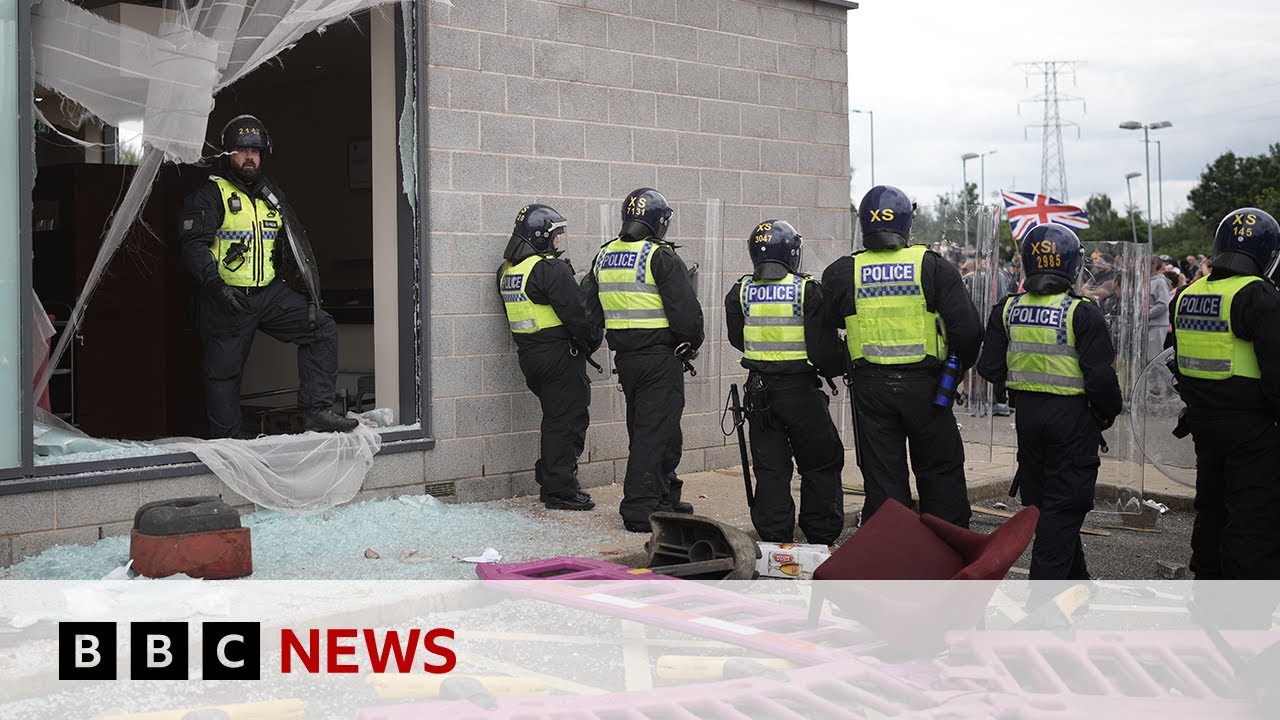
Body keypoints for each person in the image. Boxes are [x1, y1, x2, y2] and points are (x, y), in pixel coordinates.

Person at [179, 115, 357, 438]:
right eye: (242, 150)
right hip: (227, 298)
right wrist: (217, 288)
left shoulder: (269, 192)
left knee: (321, 327)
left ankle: (317, 411)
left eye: (256, 151)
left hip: (269, 294)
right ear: (227, 154)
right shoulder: (210, 195)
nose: (250, 157)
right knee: (223, 377)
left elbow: (290, 242)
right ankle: (230, 447)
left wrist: (303, 290)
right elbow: (193, 246)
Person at [822, 185, 982, 528]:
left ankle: (892, 561)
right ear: (907, 223)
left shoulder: (842, 272)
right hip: (929, 389)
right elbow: (968, 332)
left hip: (870, 389)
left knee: (883, 479)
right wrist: (954, 371)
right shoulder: (933, 267)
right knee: (940, 474)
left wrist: (842, 363)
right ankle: (948, 554)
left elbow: (825, 328)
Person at [977, 223, 1123, 581]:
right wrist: (1104, 415)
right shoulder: (1081, 311)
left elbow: (989, 368)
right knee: (1064, 506)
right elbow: (1101, 379)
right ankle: (1045, 605)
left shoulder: (1007, 308)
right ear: (1073, 266)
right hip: (1071, 420)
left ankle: (1077, 588)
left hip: (1027, 416)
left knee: (1045, 503)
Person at [583, 188, 704, 533]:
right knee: (652, 434)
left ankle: (666, 498)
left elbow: (588, 308)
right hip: (659, 358)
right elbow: (686, 314)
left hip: (628, 360)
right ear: (658, 222)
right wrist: (690, 343)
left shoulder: (605, 255)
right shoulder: (660, 257)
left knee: (659, 431)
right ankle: (638, 509)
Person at [1171, 207, 1280, 580]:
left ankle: (1207, 595)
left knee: (1211, 511)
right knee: (1252, 520)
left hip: (1204, 423)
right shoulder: (1258, 295)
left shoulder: (1186, 296)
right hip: (1252, 429)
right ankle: (1242, 619)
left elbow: (1178, 362)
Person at [725, 220, 846, 546]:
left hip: (759, 394)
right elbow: (824, 350)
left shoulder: (740, 291)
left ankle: (776, 538)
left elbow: (739, 339)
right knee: (821, 462)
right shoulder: (806, 290)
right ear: (792, 254)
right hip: (800, 393)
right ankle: (821, 536)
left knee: (770, 469)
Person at [498, 204, 601, 511]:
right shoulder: (548, 269)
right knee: (567, 422)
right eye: (555, 237)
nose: (558, 243)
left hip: (531, 355)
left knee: (555, 420)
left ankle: (552, 482)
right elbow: (579, 316)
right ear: (540, 237)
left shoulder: (507, 271)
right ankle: (560, 490)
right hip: (558, 356)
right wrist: (593, 338)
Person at [1148, 255, 1173, 367]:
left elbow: (1163, 304)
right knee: (1148, 358)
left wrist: (1146, 314)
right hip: (1148, 325)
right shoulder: (1148, 280)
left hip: (1156, 325)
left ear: (1154, 265)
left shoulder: (1160, 282)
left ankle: (1158, 383)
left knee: (1154, 358)